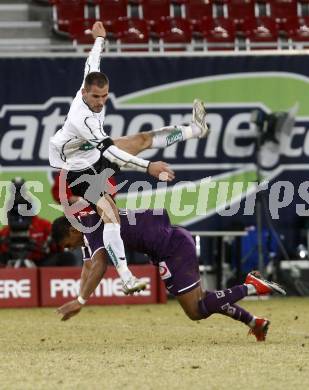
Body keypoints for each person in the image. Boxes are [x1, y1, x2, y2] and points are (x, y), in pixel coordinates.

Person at [49, 21, 208, 295]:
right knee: (110, 214)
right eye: (95, 97)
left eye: (104, 96)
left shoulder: (88, 89)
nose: (100, 102)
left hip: (90, 154)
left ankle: (196, 129)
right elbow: (111, 152)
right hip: (77, 171)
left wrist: (99, 39)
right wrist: (149, 167)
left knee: (142, 140)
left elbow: (92, 64)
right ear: (85, 93)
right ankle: (126, 277)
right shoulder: (84, 119)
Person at [52, 209, 286, 342]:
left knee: (196, 310)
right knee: (200, 302)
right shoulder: (86, 225)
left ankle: (252, 287)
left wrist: (81, 301)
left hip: (172, 248)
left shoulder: (91, 228)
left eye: (65, 244)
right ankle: (255, 322)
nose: (66, 249)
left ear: (72, 230)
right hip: (167, 247)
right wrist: (78, 296)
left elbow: (100, 265)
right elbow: (88, 266)